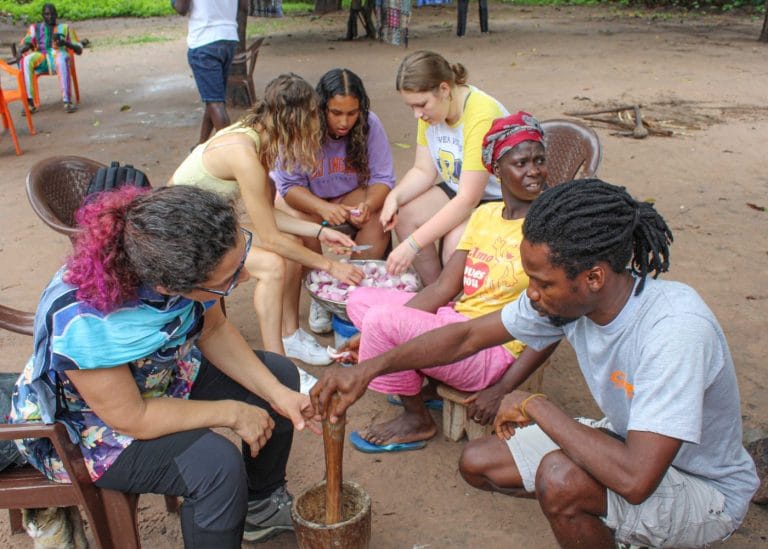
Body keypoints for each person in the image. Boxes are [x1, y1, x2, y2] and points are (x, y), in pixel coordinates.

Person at [311, 178, 760, 547]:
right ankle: (618, 525)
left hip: (703, 489)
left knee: (560, 479)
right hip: (627, 445)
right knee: (479, 461)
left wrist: (534, 405)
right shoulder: (566, 300)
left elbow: (636, 477)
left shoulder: (674, 329)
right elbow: (466, 335)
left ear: (594, 276)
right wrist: (367, 369)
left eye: (542, 282)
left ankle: (625, 525)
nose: (532, 294)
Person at [10, 185, 318, 545]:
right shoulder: (85, 323)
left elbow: (214, 329)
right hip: (91, 424)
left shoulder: (179, 251)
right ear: (169, 286)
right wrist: (232, 412)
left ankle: (260, 507)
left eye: (240, 261)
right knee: (215, 467)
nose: (245, 278)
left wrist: (278, 394)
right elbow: (132, 417)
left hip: (161, 374)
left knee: (279, 375)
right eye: (229, 280)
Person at [338, 112, 556, 451]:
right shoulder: (485, 215)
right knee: (361, 302)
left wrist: (503, 388)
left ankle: (416, 418)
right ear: (496, 170)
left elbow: (555, 324)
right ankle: (416, 377)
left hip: (492, 352)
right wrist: (388, 328)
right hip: (455, 324)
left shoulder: (550, 229)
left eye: (539, 160)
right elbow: (443, 288)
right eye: (522, 162)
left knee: (382, 321)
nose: (534, 171)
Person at [171, 73, 363, 367]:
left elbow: (266, 212)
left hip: (205, 226)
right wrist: (330, 265)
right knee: (273, 263)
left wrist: (320, 232)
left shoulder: (256, 136)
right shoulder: (244, 154)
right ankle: (279, 364)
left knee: (290, 245)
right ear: (295, 122)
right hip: (179, 237)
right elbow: (270, 236)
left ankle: (289, 337)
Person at [273, 68, 395, 334]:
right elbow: (289, 187)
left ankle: (353, 288)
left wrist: (368, 206)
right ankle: (320, 290)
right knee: (300, 221)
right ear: (320, 107)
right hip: (305, 202)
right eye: (336, 113)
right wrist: (324, 208)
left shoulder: (370, 124)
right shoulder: (302, 126)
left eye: (352, 113)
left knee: (381, 214)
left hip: (348, 197)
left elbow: (383, 178)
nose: (344, 121)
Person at [381, 50, 508, 286]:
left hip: (500, 198)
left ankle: (456, 309)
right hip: (460, 190)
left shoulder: (480, 115)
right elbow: (423, 171)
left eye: (421, 105)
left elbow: (468, 199)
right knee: (406, 216)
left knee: (455, 243)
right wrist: (394, 197)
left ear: (444, 89)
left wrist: (412, 244)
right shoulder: (432, 115)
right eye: (411, 107)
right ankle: (436, 292)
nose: (418, 114)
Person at [172, 0, 246, 144]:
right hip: (228, 38)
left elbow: (181, 8)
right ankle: (201, 145)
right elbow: (244, 6)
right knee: (214, 99)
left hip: (204, 39)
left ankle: (230, 151)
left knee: (215, 103)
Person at [15, 3, 82, 113]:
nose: (50, 17)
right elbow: (28, 42)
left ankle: (67, 102)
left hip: (59, 56)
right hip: (41, 57)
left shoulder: (65, 28)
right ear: (42, 15)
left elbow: (79, 50)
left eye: (52, 14)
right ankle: (30, 103)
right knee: (25, 61)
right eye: (47, 14)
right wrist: (21, 50)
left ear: (56, 15)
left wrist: (65, 43)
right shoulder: (35, 28)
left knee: (61, 58)